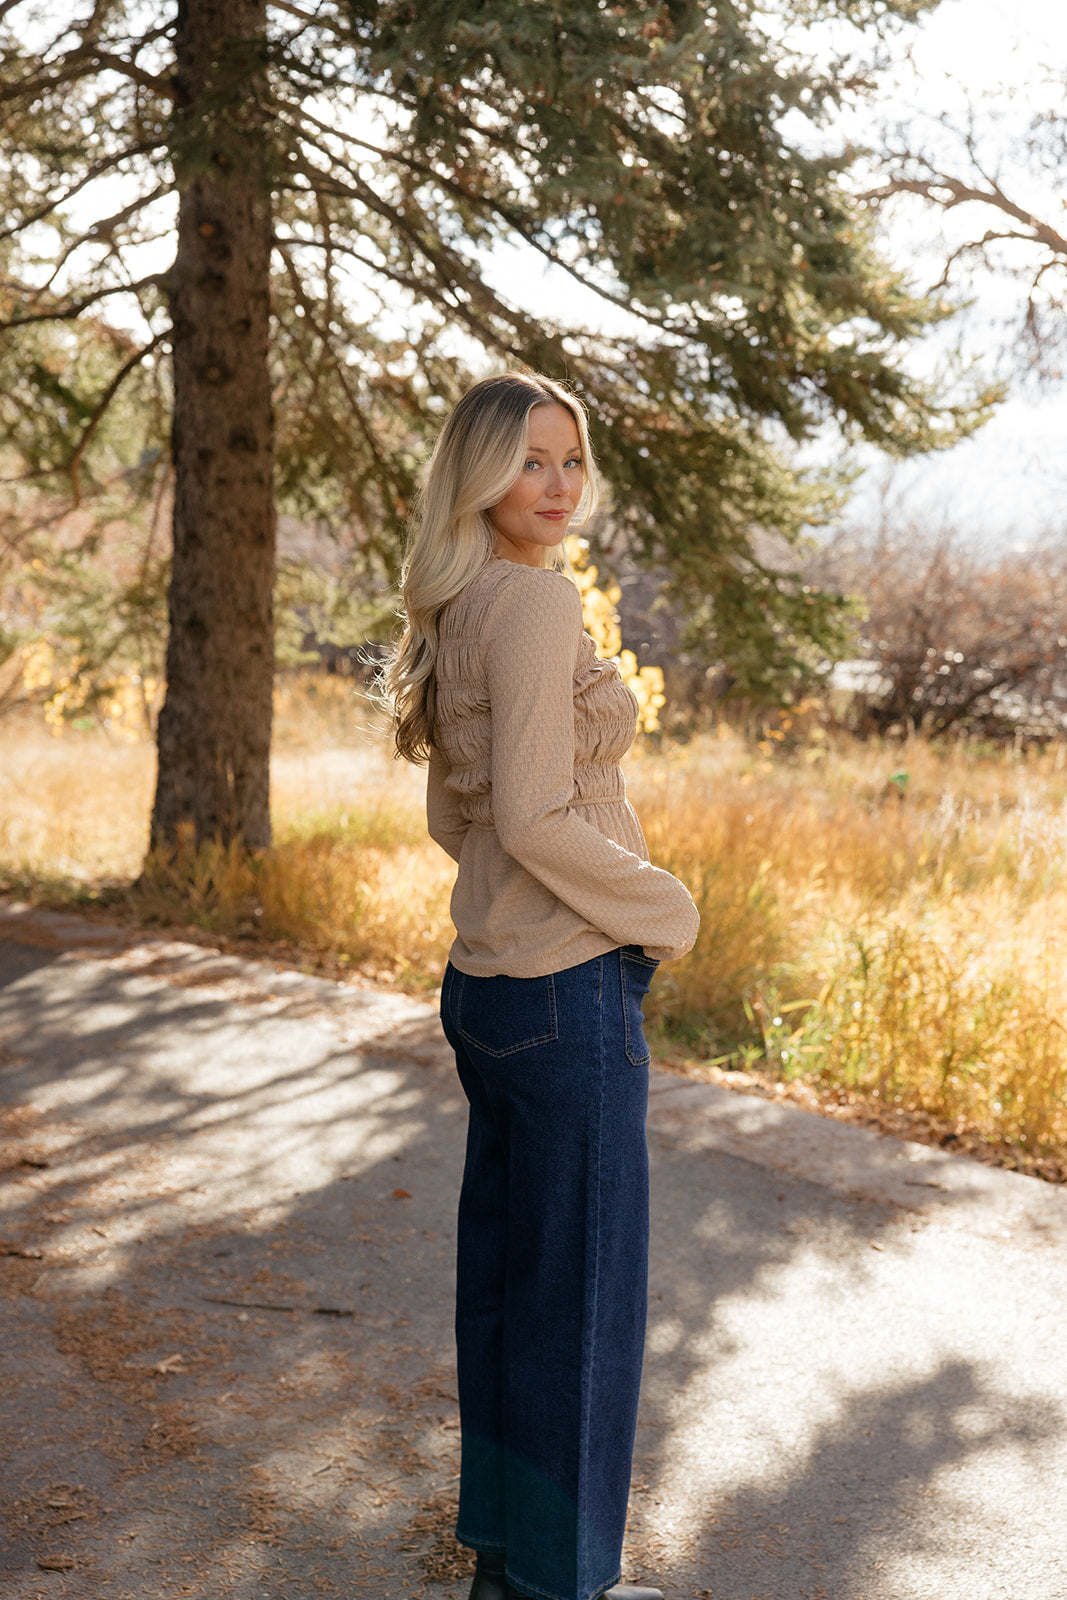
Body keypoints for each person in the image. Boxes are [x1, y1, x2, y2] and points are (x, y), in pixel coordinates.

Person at [384, 372, 699, 1600]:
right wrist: (662, 909)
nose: (558, 484)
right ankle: (563, 1583)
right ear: (479, 477)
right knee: (581, 1308)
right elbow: (525, 813)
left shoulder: (459, 604)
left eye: (570, 460)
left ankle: (509, 1562)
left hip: (490, 987)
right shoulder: (529, 605)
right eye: (530, 462)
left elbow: (447, 814)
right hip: (564, 989)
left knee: (514, 1295)